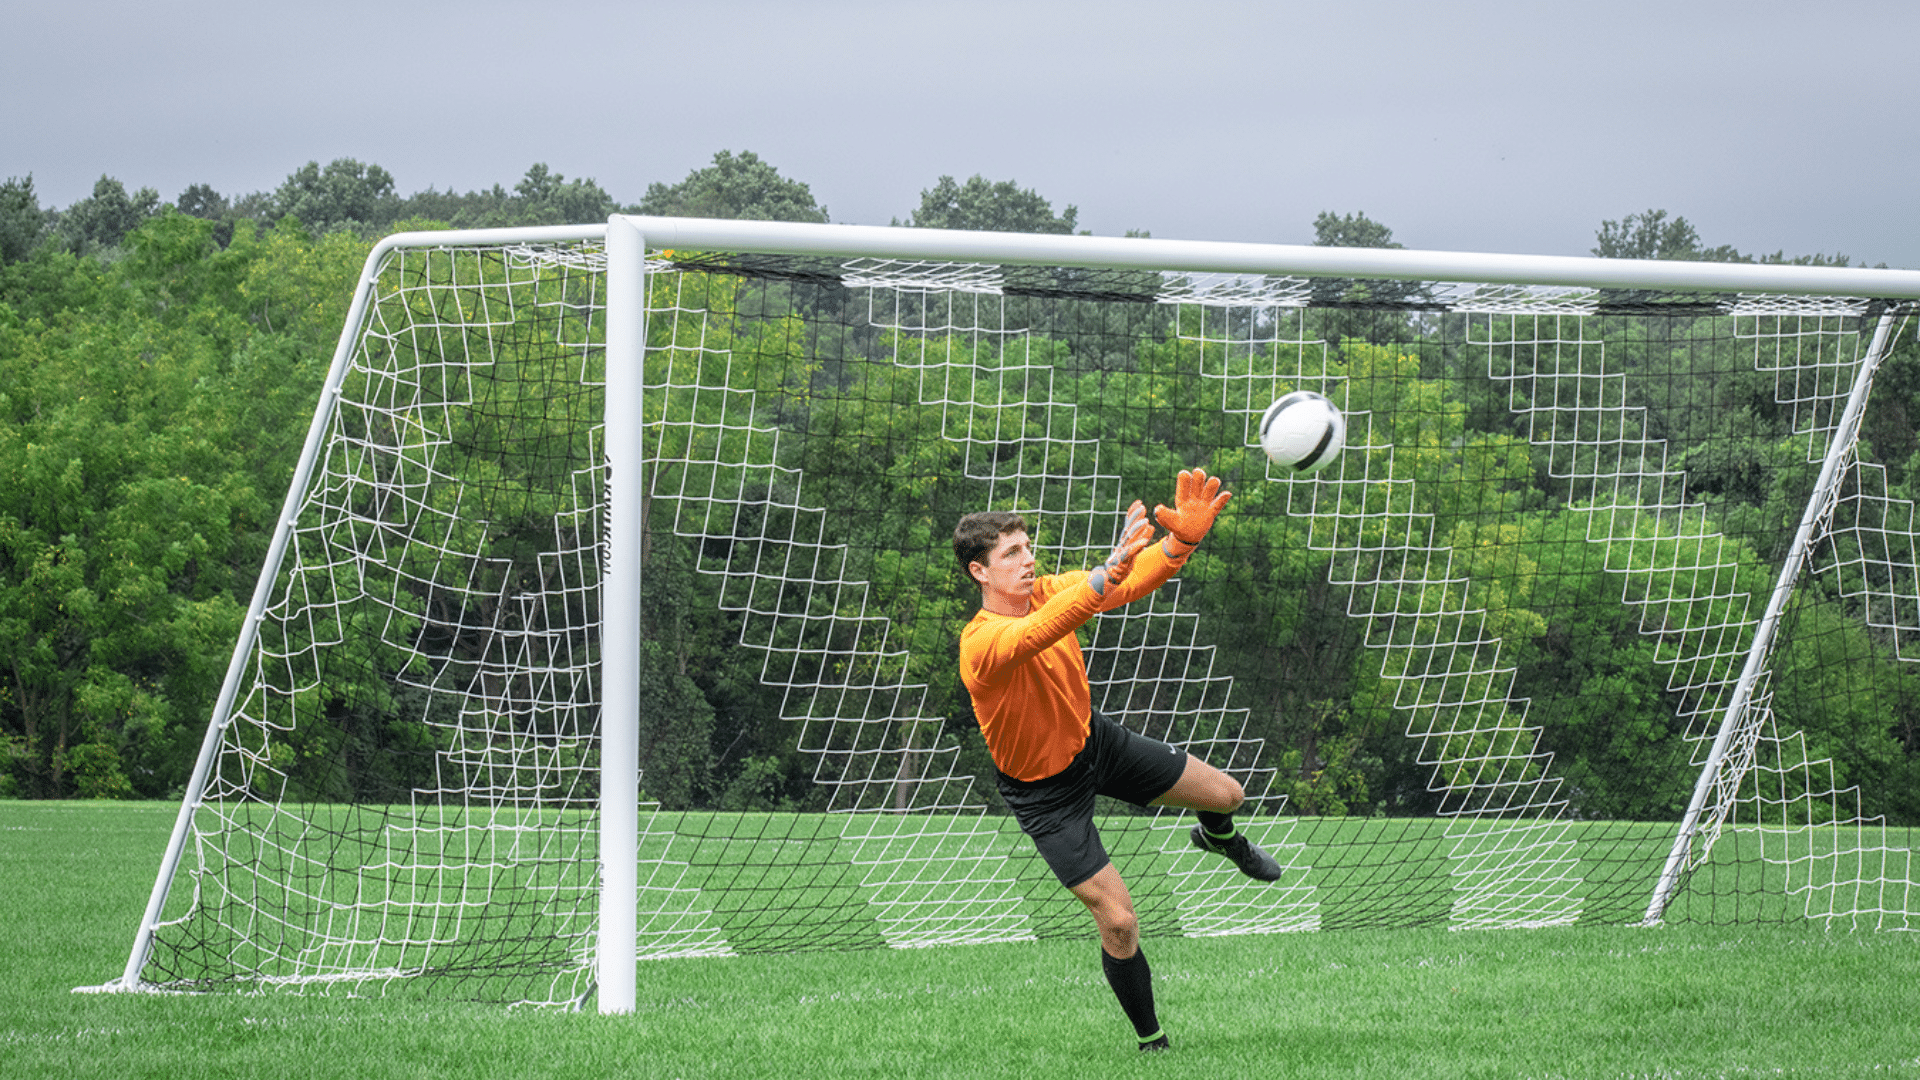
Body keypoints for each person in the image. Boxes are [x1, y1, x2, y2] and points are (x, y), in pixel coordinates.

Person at [953, 467, 1282, 1053]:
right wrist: (1101, 580)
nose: (1027, 560)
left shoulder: (1050, 590)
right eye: (1011, 553)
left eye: (1028, 548)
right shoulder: (980, 643)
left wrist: (1179, 544)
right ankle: (1153, 1043)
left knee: (1228, 794)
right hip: (1043, 794)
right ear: (980, 571)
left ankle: (1220, 838)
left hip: (1094, 744)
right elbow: (1042, 630)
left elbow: (1127, 582)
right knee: (1121, 922)